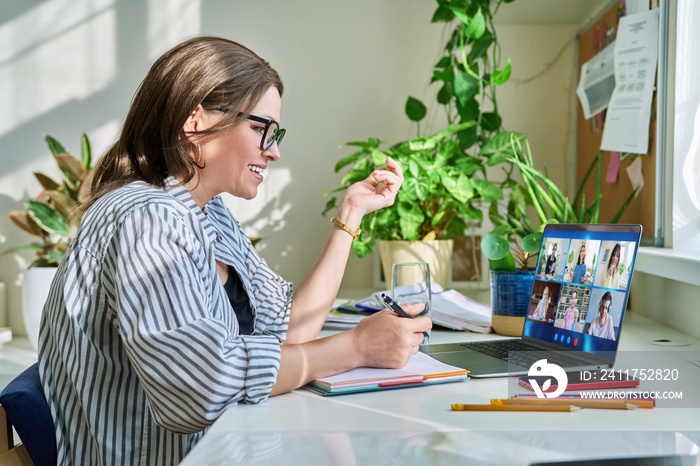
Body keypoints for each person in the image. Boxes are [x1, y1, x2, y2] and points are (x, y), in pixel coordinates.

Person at [37, 37, 430, 465]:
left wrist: (351, 214)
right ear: (197, 121)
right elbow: (195, 389)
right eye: (262, 128)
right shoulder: (147, 219)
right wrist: (354, 348)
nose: (275, 150)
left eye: (275, 133)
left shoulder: (208, 212)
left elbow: (289, 331)